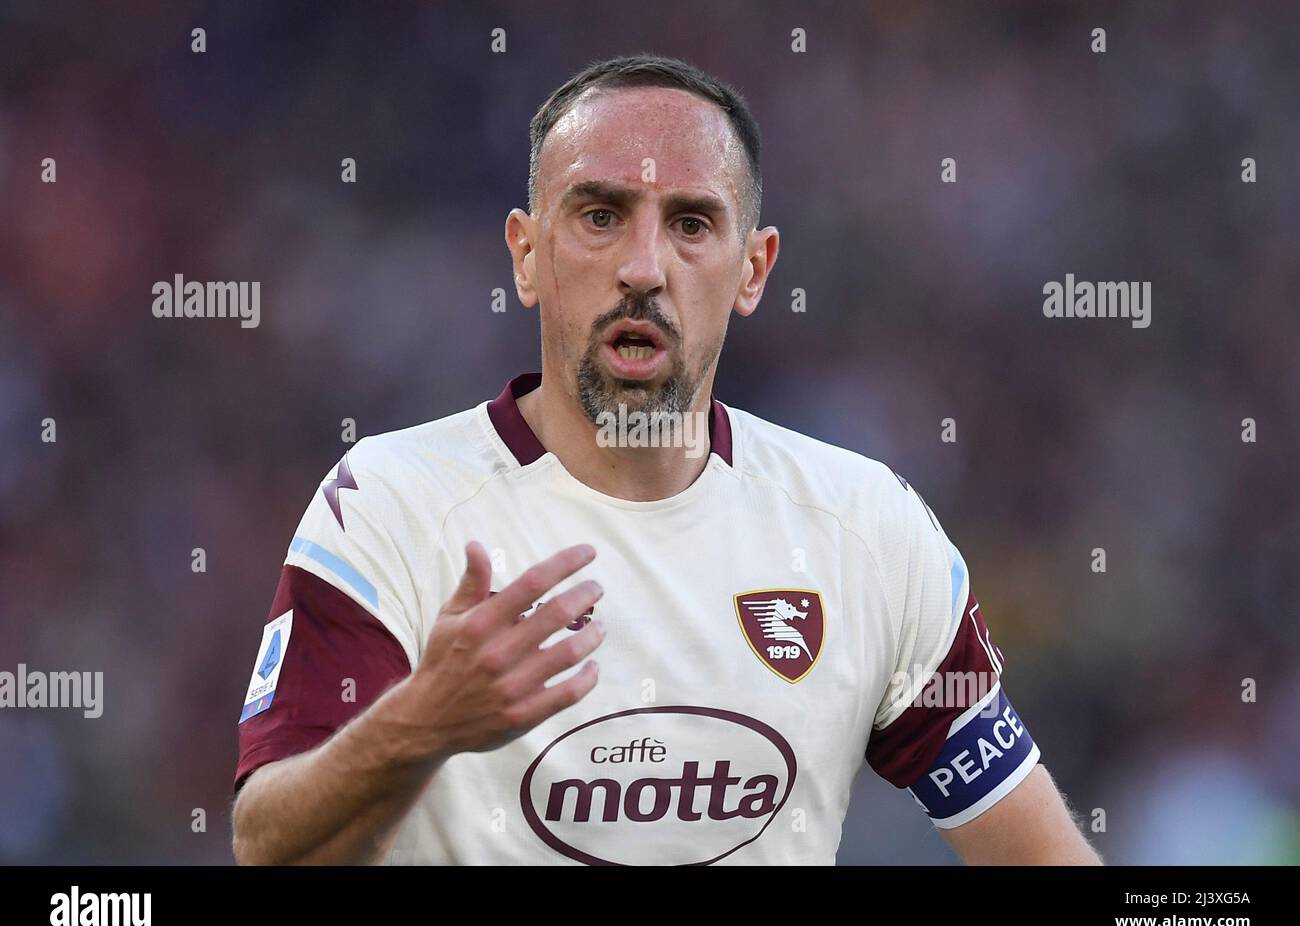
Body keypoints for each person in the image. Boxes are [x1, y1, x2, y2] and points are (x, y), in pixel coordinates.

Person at [231, 53, 1101, 865]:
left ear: (754, 270)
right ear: (527, 255)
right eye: (601, 216)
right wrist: (420, 722)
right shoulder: (389, 504)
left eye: (691, 223)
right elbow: (267, 844)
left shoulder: (865, 529)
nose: (643, 267)